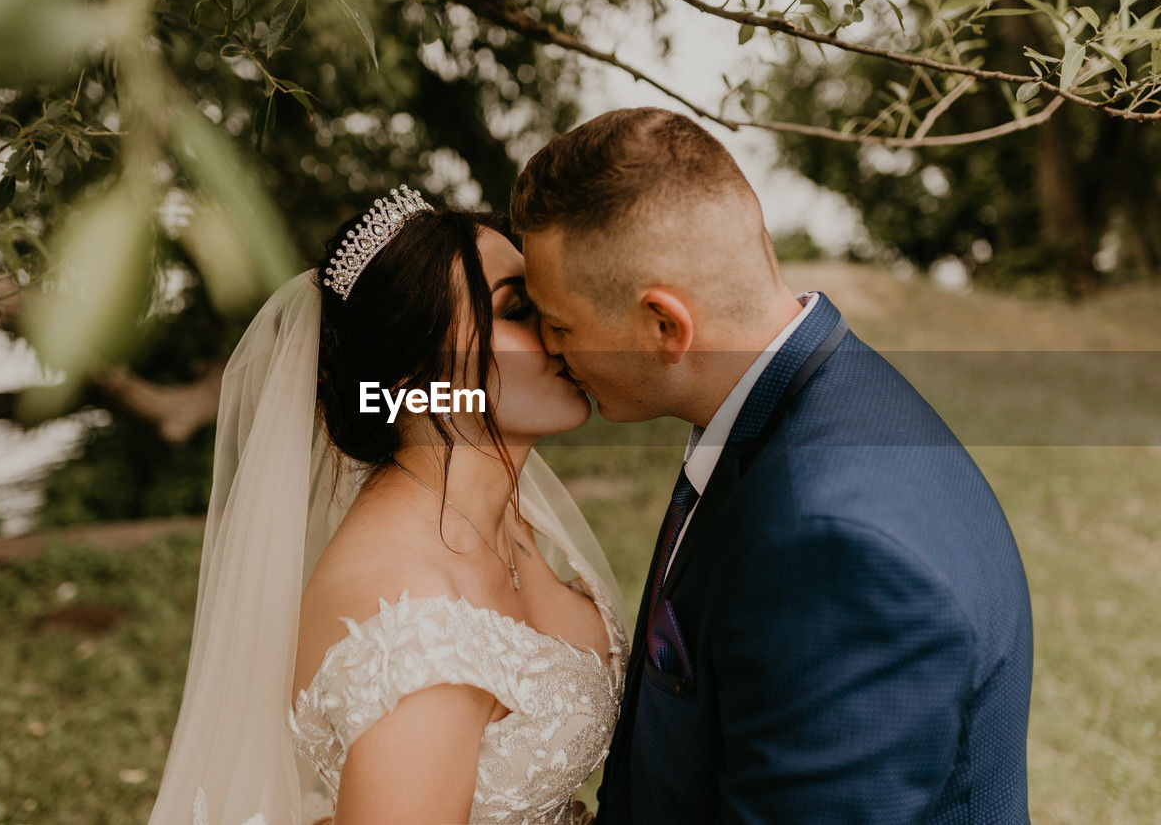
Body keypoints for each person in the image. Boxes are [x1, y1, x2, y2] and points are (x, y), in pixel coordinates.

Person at [512, 107, 1034, 823]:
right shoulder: (802, 400)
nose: (550, 347)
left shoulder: (834, 546)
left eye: (560, 324)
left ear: (665, 326)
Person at [147, 188, 628, 825]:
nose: (561, 326)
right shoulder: (415, 623)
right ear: (409, 376)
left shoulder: (507, 517)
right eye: (519, 309)